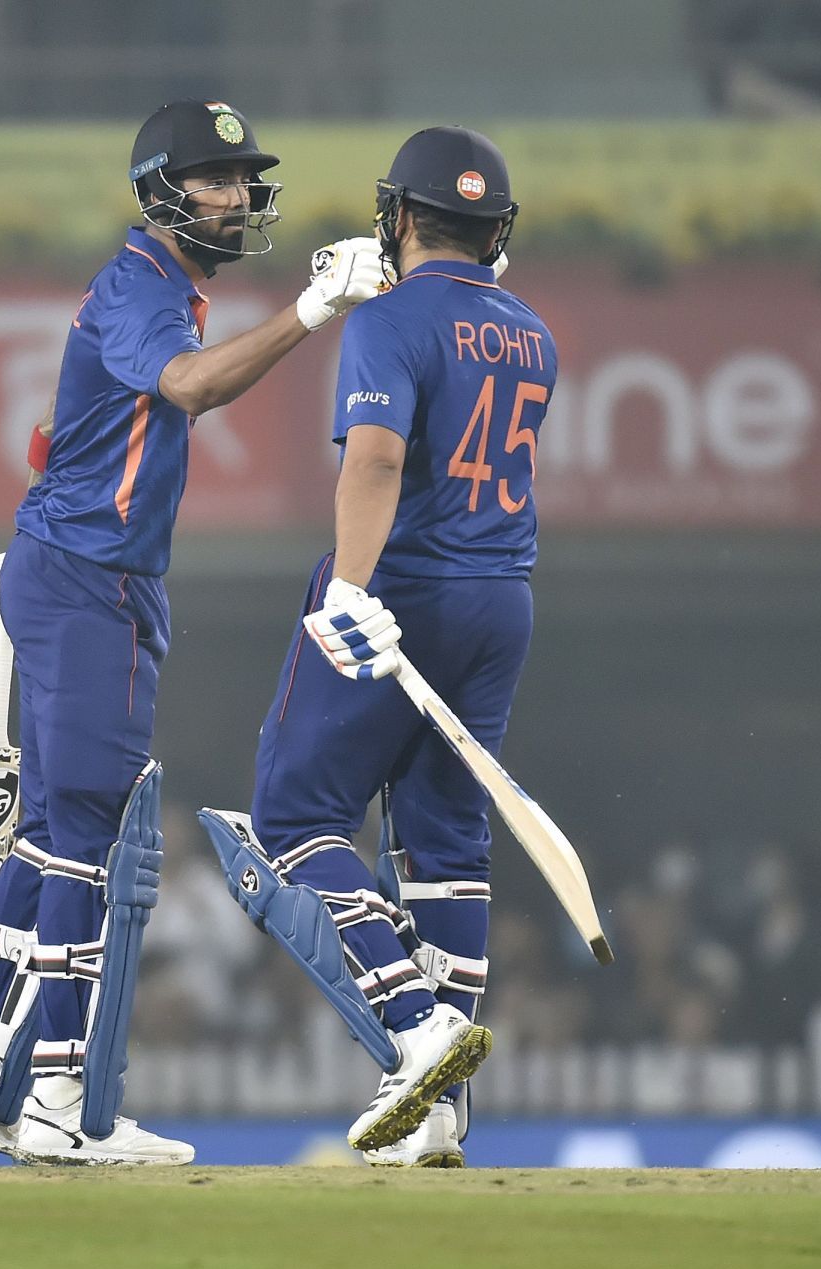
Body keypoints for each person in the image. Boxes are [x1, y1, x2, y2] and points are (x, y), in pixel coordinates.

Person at [0, 98, 391, 1166]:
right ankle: (55, 1106)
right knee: (83, 833)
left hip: (75, 571)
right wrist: (315, 310)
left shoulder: (158, 290)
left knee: (46, 834)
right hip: (94, 586)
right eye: (214, 178)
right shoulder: (143, 283)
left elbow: (71, 431)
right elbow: (190, 388)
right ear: (160, 194)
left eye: (240, 177)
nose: (234, 195)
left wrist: (28, 542)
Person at [199, 126, 556, 1167]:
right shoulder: (533, 329)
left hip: (404, 585)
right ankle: (441, 1116)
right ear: (495, 229)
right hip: (503, 600)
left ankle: (415, 1025)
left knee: (294, 815)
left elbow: (379, 462)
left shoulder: (387, 319)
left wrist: (351, 588)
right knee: (446, 841)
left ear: (398, 218)